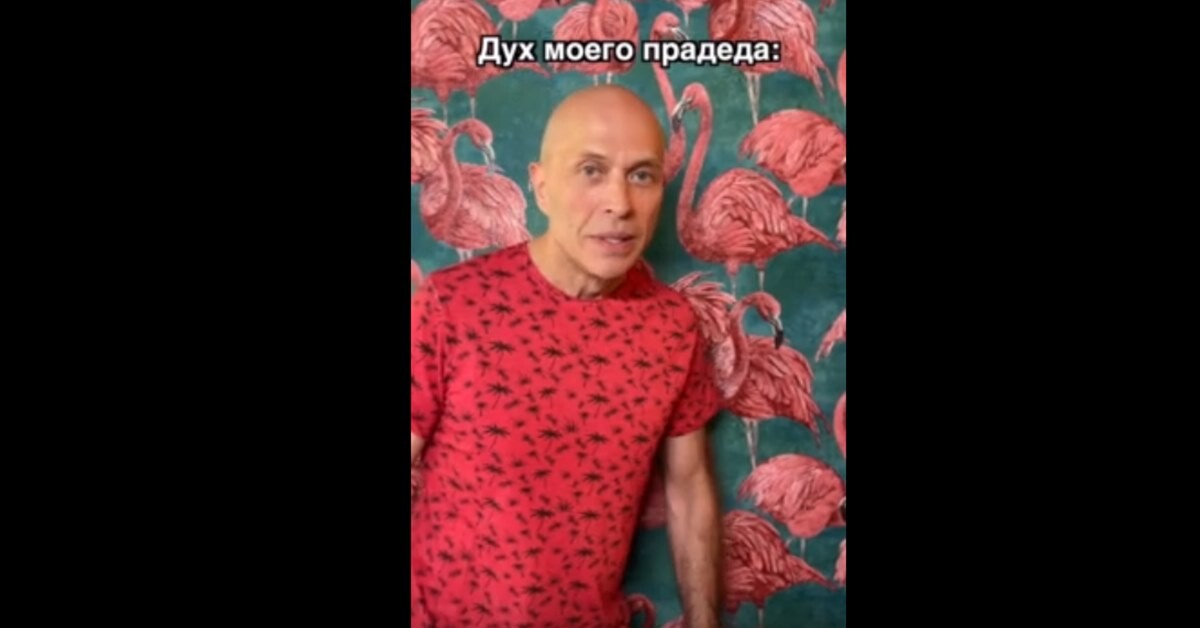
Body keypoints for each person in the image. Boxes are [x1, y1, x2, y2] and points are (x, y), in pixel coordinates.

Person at [411, 85, 723, 627]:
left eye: (641, 175)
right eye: (591, 170)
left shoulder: (672, 326)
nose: (619, 203)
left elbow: (689, 491)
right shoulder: (451, 305)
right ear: (541, 186)